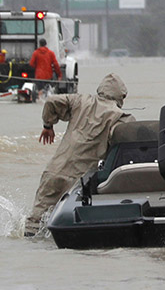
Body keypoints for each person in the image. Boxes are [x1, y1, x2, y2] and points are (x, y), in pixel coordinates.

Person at [24, 73, 133, 236]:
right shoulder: (121, 117)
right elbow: (124, 148)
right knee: (67, 228)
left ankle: (31, 256)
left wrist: (48, 125)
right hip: (78, 182)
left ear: (101, 89)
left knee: (35, 225)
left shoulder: (80, 100)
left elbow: (52, 101)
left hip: (53, 172)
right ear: (121, 96)